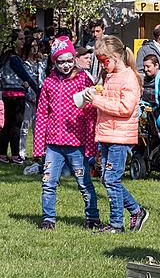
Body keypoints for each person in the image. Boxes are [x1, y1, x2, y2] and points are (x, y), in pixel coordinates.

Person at [33, 36, 101, 230]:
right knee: (48, 182)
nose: (65, 65)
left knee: (84, 182)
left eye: (69, 60)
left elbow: (90, 114)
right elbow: (42, 114)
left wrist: (91, 144)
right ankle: (48, 218)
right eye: (60, 61)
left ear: (74, 59)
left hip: (76, 142)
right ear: (54, 61)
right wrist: (39, 146)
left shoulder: (82, 80)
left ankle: (92, 217)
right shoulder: (48, 83)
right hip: (53, 144)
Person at [84, 36, 150, 233]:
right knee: (107, 178)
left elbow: (125, 108)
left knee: (111, 179)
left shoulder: (129, 77)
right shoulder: (111, 76)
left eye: (104, 61)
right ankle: (136, 211)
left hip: (119, 137)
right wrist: (94, 95)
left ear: (114, 57)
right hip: (107, 134)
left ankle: (116, 223)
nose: (103, 66)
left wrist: (97, 101)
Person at [1, 29, 40, 164]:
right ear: (14, 41)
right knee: (16, 125)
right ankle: (16, 154)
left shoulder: (6, 57)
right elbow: (26, 76)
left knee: (8, 124)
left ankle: (3, 153)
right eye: (21, 39)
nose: (24, 42)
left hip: (7, 93)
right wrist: (38, 90)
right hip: (16, 95)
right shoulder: (14, 59)